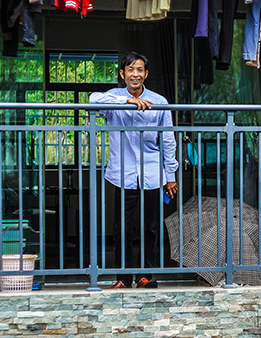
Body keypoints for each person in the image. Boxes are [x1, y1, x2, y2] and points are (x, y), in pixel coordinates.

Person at [89, 52, 179, 289]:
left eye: (139, 70)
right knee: (122, 228)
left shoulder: (159, 102)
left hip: (152, 173)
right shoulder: (114, 98)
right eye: (130, 70)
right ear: (123, 74)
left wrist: (170, 176)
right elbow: (92, 100)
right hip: (123, 173)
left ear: (146, 74)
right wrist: (126, 101)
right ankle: (123, 278)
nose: (135, 74)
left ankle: (145, 276)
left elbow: (168, 139)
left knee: (150, 227)